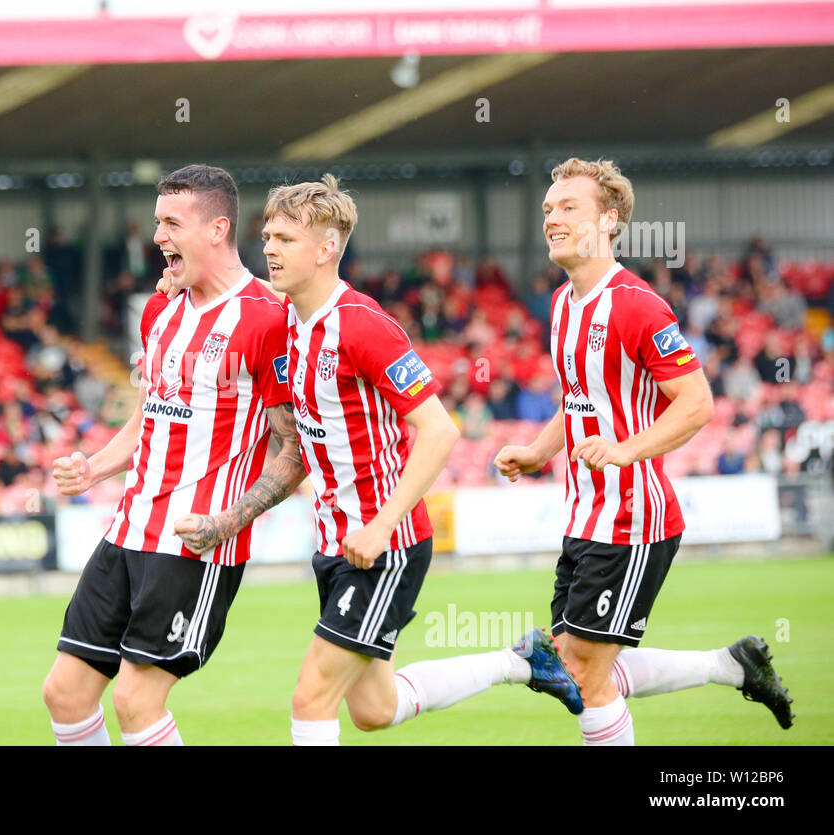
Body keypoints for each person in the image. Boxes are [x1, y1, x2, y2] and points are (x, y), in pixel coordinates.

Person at [254, 176, 581, 746]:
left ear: (328, 248)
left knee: (311, 697)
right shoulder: (286, 323)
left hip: (387, 543)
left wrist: (381, 526)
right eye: (267, 236)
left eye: (284, 238)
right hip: (335, 544)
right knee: (375, 709)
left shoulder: (363, 325)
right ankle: (522, 662)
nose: (269, 248)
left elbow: (439, 431)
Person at [493, 158, 793, 745]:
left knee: (576, 669)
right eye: (549, 208)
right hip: (584, 518)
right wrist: (537, 451)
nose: (552, 218)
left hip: (632, 519)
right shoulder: (561, 305)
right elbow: (582, 400)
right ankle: (732, 666)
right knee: (579, 669)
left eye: (569, 208)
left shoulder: (636, 303)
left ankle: (728, 668)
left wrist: (626, 450)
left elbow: (696, 402)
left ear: (608, 220)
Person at [42, 164, 301, 746]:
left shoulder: (268, 318)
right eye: (157, 221)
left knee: (136, 700)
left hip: (194, 542)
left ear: (217, 229)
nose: (158, 235)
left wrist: (225, 522)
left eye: (171, 223)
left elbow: (294, 449)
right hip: (129, 528)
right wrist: (95, 467)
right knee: (64, 691)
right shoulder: (160, 308)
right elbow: (149, 415)